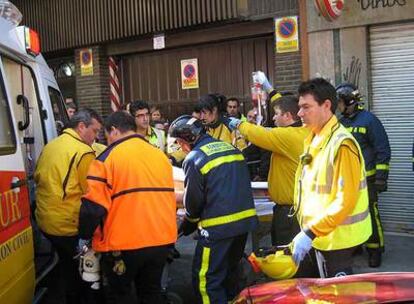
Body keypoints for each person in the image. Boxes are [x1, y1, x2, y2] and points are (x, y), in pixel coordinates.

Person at [78, 111, 177, 303]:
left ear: (114, 130)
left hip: (122, 245)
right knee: (151, 293)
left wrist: (83, 236)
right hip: (161, 240)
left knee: (119, 295)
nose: (107, 141)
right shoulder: (159, 156)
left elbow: (93, 208)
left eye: (106, 136)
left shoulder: (106, 160)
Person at [169, 115, 258, 303]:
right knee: (230, 275)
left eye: (179, 142)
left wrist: (188, 224)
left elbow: (193, 202)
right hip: (243, 226)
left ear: (187, 140)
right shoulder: (230, 148)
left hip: (217, 230)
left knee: (206, 280)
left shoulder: (194, 158)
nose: (181, 147)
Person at [291, 78, 372, 278]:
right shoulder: (314, 137)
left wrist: (310, 233)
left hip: (336, 241)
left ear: (326, 105)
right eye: (299, 107)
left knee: (336, 296)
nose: (299, 113)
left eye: (306, 107)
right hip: (320, 235)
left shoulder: (342, 144)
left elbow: (345, 201)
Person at [227, 72, 309, 248]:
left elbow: (260, 134)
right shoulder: (302, 130)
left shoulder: (286, 136)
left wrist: (238, 124)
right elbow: (284, 104)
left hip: (290, 212)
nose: (273, 117)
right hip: (295, 209)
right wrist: (268, 87)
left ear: (287, 116)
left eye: (276, 114)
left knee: (286, 253)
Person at [34, 108, 103, 304]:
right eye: (95, 131)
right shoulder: (84, 152)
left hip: (46, 220)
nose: (96, 137)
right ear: (81, 127)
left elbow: (39, 177)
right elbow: (92, 194)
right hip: (69, 225)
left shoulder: (51, 146)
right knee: (84, 276)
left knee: (65, 267)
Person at [336, 83, 391, 267]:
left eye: (341, 102)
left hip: (368, 178)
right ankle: (357, 244)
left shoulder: (369, 120)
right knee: (351, 214)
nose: (338, 106)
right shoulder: (341, 123)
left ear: (350, 101)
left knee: (370, 214)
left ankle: (375, 250)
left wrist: (381, 177)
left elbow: (382, 149)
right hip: (348, 180)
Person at [240, 108, 271, 181]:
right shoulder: (238, 133)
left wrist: (261, 175)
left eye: (254, 118)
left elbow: (266, 157)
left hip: (255, 174)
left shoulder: (262, 134)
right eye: (249, 117)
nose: (251, 120)